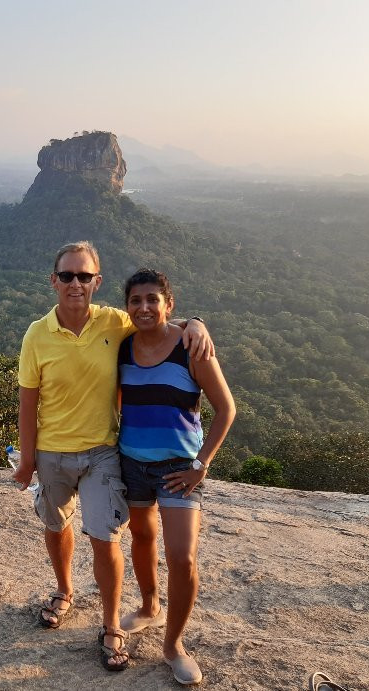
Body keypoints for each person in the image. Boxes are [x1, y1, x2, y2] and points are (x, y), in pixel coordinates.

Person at [13, 242, 214, 672]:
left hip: (103, 451)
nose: (76, 283)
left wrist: (195, 323)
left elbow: (154, 320)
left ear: (97, 282)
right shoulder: (37, 334)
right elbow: (28, 402)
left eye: (84, 276)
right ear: (53, 281)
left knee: (105, 536)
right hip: (52, 450)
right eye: (67, 275)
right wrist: (27, 460)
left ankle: (110, 625)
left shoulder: (113, 321)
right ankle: (65, 591)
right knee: (56, 524)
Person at [117, 268, 235, 686]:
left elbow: (226, 409)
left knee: (182, 557)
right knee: (142, 537)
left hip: (178, 468)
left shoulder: (191, 349)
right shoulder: (123, 347)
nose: (144, 307)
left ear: (169, 304)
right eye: (136, 300)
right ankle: (150, 607)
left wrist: (201, 465)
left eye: (153, 299)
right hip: (131, 461)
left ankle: (173, 645)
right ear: (127, 307)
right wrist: (193, 321)